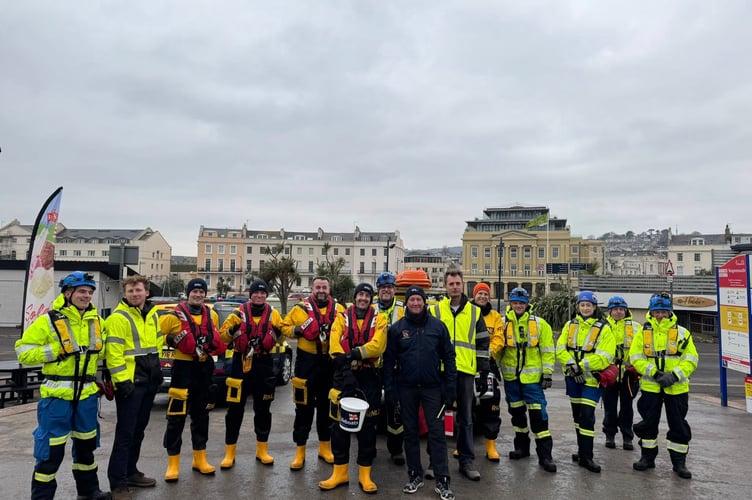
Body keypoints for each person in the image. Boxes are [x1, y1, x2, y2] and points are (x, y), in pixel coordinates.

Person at [16, 271, 111, 500]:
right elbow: (23, 352)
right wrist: (54, 351)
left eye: (89, 292)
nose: (86, 296)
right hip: (57, 397)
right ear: (68, 293)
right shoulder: (48, 320)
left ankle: (89, 492)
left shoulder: (97, 321)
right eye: (81, 291)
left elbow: (107, 352)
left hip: (87, 396)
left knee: (86, 447)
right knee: (51, 452)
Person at [383, 285, 457, 500]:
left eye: (419, 299)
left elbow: (449, 358)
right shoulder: (397, 329)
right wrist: (390, 391)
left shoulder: (438, 327)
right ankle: (414, 475)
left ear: (425, 302)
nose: (416, 303)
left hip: (433, 388)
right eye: (412, 299)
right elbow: (389, 363)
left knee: (437, 434)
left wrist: (450, 388)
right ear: (406, 303)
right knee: (410, 433)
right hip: (406, 389)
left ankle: (443, 480)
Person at [319, 283, 388, 493]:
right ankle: (339, 473)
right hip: (343, 375)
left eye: (367, 295)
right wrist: (346, 366)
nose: (363, 299)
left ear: (371, 298)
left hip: (369, 376)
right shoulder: (342, 317)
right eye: (360, 295)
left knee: (368, 428)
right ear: (355, 296)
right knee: (338, 426)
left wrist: (354, 354)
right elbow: (334, 344)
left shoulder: (380, 318)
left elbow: (378, 345)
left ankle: (365, 475)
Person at [160, 278, 226, 482]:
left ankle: (200, 458)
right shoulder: (173, 316)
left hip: (204, 367)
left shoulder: (212, 315)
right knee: (176, 416)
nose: (198, 295)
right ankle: (173, 463)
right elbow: (157, 336)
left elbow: (218, 339)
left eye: (201, 292)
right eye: (194, 291)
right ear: (187, 293)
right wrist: (171, 340)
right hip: (182, 368)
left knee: (202, 414)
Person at [105, 276, 163, 500]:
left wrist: (156, 372)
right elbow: (114, 354)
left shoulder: (152, 314)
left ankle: (131, 472)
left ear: (146, 292)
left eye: (138, 290)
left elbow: (156, 344)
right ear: (125, 293)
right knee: (125, 434)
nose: (135, 294)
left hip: (148, 381)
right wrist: (122, 382)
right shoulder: (119, 318)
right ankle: (117, 482)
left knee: (138, 431)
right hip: (129, 384)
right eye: (130, 290)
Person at [629, 292, 699, 479]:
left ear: (670, 312)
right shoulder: (643, 333)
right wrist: (654, 372)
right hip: (651, 387)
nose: (660, 315)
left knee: (678, 425)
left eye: (663, 311)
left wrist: (674, 376)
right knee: (648, 423)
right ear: (651, 312)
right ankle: (647, 458)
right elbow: (635, 357)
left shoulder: (682, 332)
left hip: (676, 388)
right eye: (656, 311)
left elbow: (691, 359)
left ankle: (679, 463)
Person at [429, 268, 490, 481]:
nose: (454, 287)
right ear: (445, 287)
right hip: (441, 371)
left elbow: (483, 343)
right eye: (451, 284)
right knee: (436, 417)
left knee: (465, 418)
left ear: (463, 285)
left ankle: (466, 461)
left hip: (465, 371)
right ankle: (434, 462)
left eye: (458, 283)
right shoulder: (435, 311)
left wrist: (483, 373)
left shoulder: (475, 312)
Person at [218, 279, 284, 469]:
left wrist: (279, 333)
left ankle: (262, 450)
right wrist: (231, 331)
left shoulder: (274, 314)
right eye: (256, 293)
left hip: (264, 363)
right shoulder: (238, 314)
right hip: (240, 363)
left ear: (267, 295)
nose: (259, 296)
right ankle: (230, 453)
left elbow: (282, 337)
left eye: (263, 293)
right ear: (250, 294)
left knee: (263, 409)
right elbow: (222, 336)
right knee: (234, 410)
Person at [282, 276, 346, 470]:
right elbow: (283, 327)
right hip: (306, 364)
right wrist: (299, 330)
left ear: (329, 289)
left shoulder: (340, 310)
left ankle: (325, 448)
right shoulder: (299, 309)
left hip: (329, 364)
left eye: (324, 287)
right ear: (312, 289)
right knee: (303, 409)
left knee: (327, 408)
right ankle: (299, 451)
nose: (321, 290)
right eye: (318, 287)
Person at [497, 287, 557, 473]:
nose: (518, 305)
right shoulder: (502, 323)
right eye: (515, 302)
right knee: (517, 415)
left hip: (533, 380)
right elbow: (498, 348)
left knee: (538, 417)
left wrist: (547, 373)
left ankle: (545, 456)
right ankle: (522, 448)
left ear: (527, 304)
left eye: (521, 302)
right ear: (510, 303)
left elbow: (547, 350)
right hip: (511, 378)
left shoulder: (540, 324)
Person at [556, 290, 615, 473]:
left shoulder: (604, 328)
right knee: (577, 417)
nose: (585, 308)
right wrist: (572, 366)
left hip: (591, 380)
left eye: (588, 305)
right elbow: (560, 348)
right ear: (578, 307)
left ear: (594, 307)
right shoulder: (570, 325)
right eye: (582, 305)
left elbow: (605, 356)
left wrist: (580, 366)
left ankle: (587, 457)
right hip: (573, 379)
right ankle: (582, 452)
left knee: (587, 416)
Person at [373, 271, 406, 465]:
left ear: (394, 289)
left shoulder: (403, 308)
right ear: (378, 290)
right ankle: (369, 448)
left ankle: (396, 450)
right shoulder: (369, 308)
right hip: (373, 366)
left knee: (395, 409)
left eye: (389, 287)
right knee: (372, 408)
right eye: (383, 287)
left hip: (395, 367)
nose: (386, 290)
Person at [470, 282, 503, 462]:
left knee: (491, 403)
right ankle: (463, 445)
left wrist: (487, 353)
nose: (482, 296)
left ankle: (491, 446)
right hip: (468, 364)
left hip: (487, 365)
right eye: (479, 293)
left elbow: (499, 338)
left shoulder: (495, 316)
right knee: (464, 405)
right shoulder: (468, 312)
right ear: (474, 296)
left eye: (485, 294)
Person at [602, 295, 641, 451]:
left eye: (621, 309)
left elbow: (642, 348)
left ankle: (627, 437)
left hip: (628, 374)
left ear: (626, 310)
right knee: (609, 407)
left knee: (627, 408)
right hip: (609, 373)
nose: (618, 312)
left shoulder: (636, 327)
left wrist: (636, 367)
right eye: (615, 309)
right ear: (610, 311)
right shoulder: (603, 326)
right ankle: (609, 435)